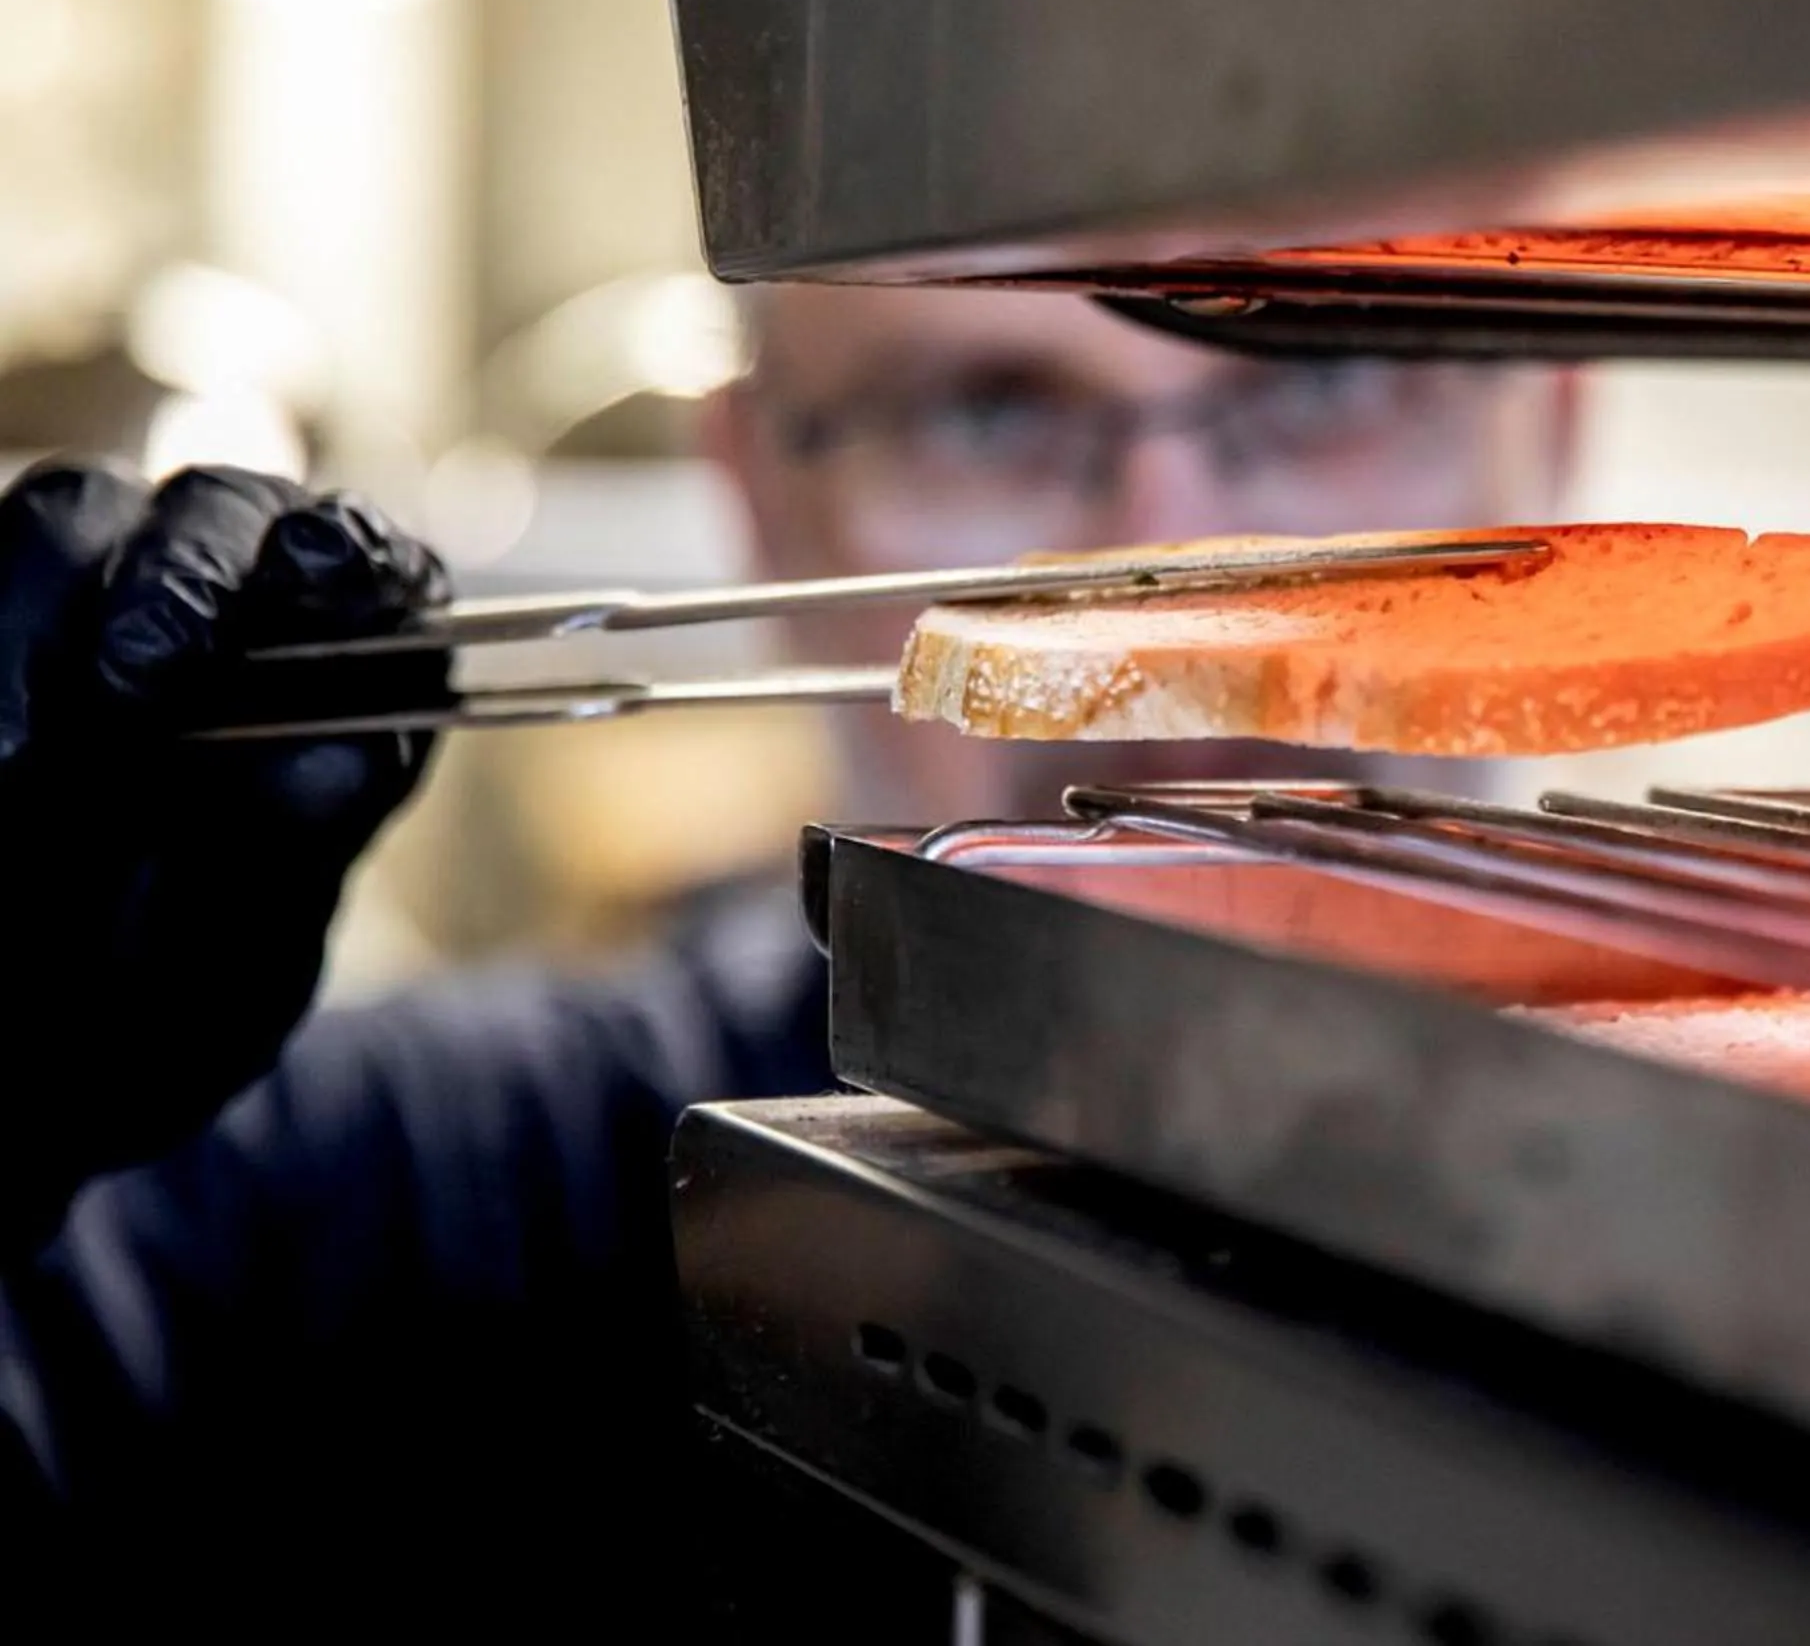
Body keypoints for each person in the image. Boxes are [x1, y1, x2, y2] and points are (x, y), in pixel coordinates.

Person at [0, 283, 1573, 1636]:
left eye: (1333, 385)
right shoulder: (396, 1205)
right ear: (759, 493)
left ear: (1552, 433)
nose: (1176, 577)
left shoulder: (1790, 1243)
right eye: (984, 414)